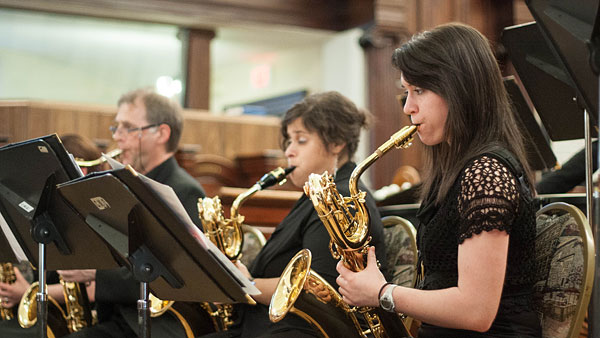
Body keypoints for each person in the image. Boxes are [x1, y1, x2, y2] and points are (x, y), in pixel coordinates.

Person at [336, 23, 542, 337]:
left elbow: (476, 312)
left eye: (419, 91)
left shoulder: (486, 174)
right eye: (406, 92)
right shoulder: (456, 169)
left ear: (458, 88)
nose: (408, 108)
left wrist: (382, 293)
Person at [199, 91, 388, 338]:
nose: (289, 151)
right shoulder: (315, 195)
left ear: (336, 144)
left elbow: (317, 291)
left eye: (301, 140)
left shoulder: (341, 200)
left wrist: (245, 284)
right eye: (288, 141)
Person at [58, 88, 206, 338]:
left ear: (161, 133)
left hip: (156, 323)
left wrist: (96, 274)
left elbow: (175, 273)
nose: (119, 138)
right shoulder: (127, 185)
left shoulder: (185, 190)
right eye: (116, 128)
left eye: (128, 128)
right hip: (122, 316)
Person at [0, 133, 103, 337]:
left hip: (70, 314)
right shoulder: (51, 215)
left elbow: (95, 288)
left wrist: (28, 292)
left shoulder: (95, 219)